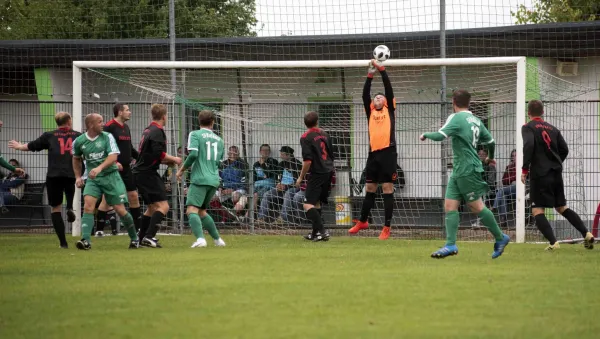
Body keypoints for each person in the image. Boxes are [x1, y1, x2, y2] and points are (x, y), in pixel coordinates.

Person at [420, 89, 510, 259]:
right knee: (450, 206)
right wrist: (490, 157)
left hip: (467, 169)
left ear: (453, 101)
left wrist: (426, 134)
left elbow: (440, 136)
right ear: (469, 103)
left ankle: (500, 237)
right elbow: (490, 141)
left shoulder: (456, 117)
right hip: (460, 169)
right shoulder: (475, 119)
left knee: (476, 206)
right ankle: (450, 245)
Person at [521, 100, 594, 250]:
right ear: (542, 112)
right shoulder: (553, 129)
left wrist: (524, 170)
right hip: (556, 172)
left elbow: (529, 145)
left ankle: (554, 243)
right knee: (561, 207)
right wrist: (554, 162)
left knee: (537, 210)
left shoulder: (528, 127)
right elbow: (564, 149)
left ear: (528, 113)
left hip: (540, 174)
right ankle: (587, 233)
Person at [8, 112, 77, 249]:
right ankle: (69, 207)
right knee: (70, 189)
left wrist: (19, 146)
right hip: (71, 173)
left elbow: (31, 146)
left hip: (54, 174)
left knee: (55, 208)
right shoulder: (78, 135)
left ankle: (63, 243)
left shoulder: (49, 136)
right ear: (69, 121)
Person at [71, 113, 139, 250]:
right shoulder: (79, 141)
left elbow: (113, 156)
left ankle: (134, 238)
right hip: (93, 179)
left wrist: (99, 168)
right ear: (91, 125)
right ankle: (86, 241)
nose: (103, 124)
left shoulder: (107, 137)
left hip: (111, 176)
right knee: (88, 206)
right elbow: (76, 158)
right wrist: (78, 177)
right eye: (100, 121)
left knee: (120, 210)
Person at [348, 59, 398, 240]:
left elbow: (388, 89)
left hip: (388, 153)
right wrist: (370, 74)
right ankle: (362, 221)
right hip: (373, 154)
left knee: (387, 188)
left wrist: (382, 71)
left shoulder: (389, 110)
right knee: (369, 187)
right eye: (375, 97)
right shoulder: (370, 112)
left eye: (381, 97)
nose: (377, 98)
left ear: (386, 101)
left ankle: (386, 227)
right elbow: (364, 96)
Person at [133, 104, 182, 248]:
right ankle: (149, 236)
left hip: (140, 173)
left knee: (152, 208)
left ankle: (140, 239)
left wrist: (167, 162)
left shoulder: (148, 130)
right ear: (164, 116)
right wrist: (174, 159)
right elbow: (157, 153)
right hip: (147, 174)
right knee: (164, 206)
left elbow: (151, 154)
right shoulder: (157, 131)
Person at [176, 110, 226, 248]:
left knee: (191, 210)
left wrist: (181, 170)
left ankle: (200, 239)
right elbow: (218, 162)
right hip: (214, 179)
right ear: (213, 122)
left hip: (200, 178)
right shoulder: (219, 140)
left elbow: (193, 155)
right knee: (202, 211)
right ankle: (217, 240)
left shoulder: (195, 134)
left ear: (199, 121)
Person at [95, 103, 141, 236]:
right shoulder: (109, 127)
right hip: (113, 169)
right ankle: (99, 230)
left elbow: (130, 148)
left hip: (126, 169)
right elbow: (103, 148)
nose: (130, 112)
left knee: (133, 195)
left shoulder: (126, 127)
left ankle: (138, 229)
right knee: (106, 198)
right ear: (120, 112)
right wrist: (114, 162)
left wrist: (141, 158)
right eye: (127, 110)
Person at [296, 111, 335, 242]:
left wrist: (301, 177)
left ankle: (323, 232)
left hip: (317, 173)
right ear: (317, 121)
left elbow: (308, 161)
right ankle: (315, 234)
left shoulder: (305, 137)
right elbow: (331, 154)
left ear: (304, 123)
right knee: (316, 203)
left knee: (307, 205)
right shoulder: (325, 134)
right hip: (329, 171)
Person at [258, 146, 302, 222]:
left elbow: (298, 182)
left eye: (282, 154)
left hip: (293, 187)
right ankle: (261, 217)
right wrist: (278, 183)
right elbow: (278, 176)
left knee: (288, 194)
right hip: (282, 187)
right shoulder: (281, 164)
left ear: (288, 155)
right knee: (267, 194)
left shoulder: (297, 164)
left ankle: (283, 218)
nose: (280, 156)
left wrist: (287, 186)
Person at [250, 144, 279, 218]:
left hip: (269, 186)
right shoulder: (256, 164)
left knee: (256, 195)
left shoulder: (273, 162)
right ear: (260, 152)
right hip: (257, 185)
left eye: (267, 150)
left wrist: (263, 165)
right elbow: (254, 178)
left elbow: (270, 174)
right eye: (263, 150)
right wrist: (264, 176)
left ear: (269, 152)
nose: (265, 152)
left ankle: (251, 216)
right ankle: (251, 215)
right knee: (250, 193)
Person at [492, 149, 517, 226]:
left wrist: (511, 179)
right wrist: (512, 179)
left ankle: (494, 207)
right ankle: (503, 220)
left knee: (501, 191)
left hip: (520, 189)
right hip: (511, 189)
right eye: (512, 156)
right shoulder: (509, 167)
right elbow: (504, 181)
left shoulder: (522, 166)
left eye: (515, 155)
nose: (513, 157)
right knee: (503, 195)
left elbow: (519, 179)